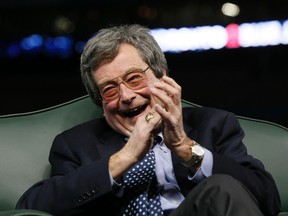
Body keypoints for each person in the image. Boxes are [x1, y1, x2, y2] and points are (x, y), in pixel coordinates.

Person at [16, 24, 280, 216]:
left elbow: (266, 198)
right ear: (100, 101)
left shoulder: (214, 124)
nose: (127, 96)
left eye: (134, 78)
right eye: (109, 89)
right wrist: (124, 157)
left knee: (222, 187)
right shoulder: (74, 144)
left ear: (161, 76)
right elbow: (32, 206)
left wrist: (187, 148)